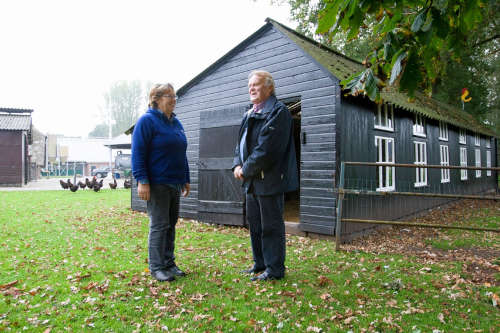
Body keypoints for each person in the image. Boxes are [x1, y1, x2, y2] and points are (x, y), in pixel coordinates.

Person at [233, 70, 298, 281]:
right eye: (249, 85)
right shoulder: (249, 113)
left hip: (269, 180)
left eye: (256, 84)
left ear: (269, 87)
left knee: (271, 226)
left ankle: (275, 269)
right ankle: (259, 263)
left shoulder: (279, 112)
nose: (251, 88)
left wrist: (246, 168)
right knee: (256, 225)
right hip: (251, 181)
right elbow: (240, 144)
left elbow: (267, 150)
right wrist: (236, 164)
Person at [132, 83, 190, 282]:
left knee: (171, 224)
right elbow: (138, 153)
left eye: (175, 96)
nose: (174, 100)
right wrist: (142, 180)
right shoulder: (147, 121)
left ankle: (169, 264)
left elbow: (182, 153)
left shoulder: (176, 123)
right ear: (156, 99)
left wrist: (186, 178)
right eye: (169, 96)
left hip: (174, 182)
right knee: (159, 224)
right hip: (156, 183)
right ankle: (156, 267)